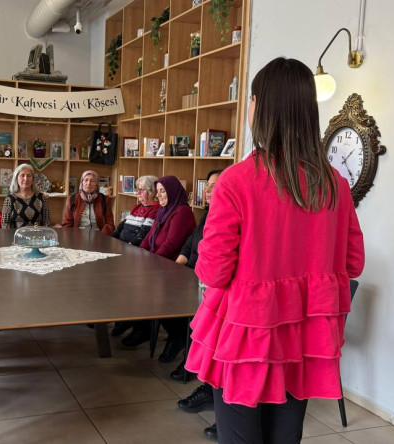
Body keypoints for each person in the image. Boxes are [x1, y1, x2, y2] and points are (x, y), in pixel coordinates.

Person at [185, 57, 365, 444]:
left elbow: (213, 271)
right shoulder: (335, 184)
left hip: (246, 334)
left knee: (239, 437)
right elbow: (353, 263)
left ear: (259, 106)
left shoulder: (236, 181)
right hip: (303, 335)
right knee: (286, 437)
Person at [166, 169, 221, 442]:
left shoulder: (229, 215)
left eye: (214, 186)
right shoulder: (208, 214)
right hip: (197, 277)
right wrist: (180, 263)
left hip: (212, 284)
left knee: (213, 330)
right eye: (207, 186)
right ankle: (196, 371)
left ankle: (201, 378)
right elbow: (190, 244)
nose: (208, 191)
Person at [122, 176, 196, 348]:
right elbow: (150, 237)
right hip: (158, 262)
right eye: (158, 191)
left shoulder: (182, 212)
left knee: (142, 287)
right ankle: (137, 325)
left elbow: (171, 244)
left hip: (172, 267)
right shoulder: (164, 210)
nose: (159, 195)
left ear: (173, 191)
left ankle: (172, 335)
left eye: (163, 191)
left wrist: (151, 263)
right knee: (130, 281)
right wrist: (138, 254)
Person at [109, 174, 160, 338]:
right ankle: (122, 320)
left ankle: (140, 327)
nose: (137, 193)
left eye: (141, 190)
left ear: (152, 192)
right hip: (123, 254)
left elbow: (141, 236)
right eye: (137, 189)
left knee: (133, 290)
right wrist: (109, 243)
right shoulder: (137, 207)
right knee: (116, 288)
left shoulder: (155, 209)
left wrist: (122, 251)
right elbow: (121, 227)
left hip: (137, 258)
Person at [61, 170, 115, 234]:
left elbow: (110, 224)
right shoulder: (73, 199)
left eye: (92, 181)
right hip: (77, 238)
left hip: (99, 238)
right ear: (82, 182)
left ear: (96, 184)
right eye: (86, 180)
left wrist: (102, 236)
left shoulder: (104, 199)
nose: (89, 183)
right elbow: (67, 225)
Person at [1, 163, 50, 228]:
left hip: (37, 236)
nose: (26, 179)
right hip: (16, 237)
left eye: (29, 176)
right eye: (22, 175)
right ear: (16, 179)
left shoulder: (41, 197)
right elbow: (5, 224)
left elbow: (47, 221)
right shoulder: (10, 199)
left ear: (33, 180)